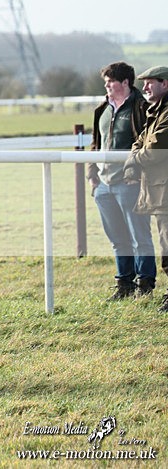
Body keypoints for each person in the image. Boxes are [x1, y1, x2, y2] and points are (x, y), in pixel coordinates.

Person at [87, 62, 156, 300]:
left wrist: (136, 174)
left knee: (140, 237)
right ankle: (124, 285)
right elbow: (95, 144)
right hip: (104, 185)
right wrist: (92, 175)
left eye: (111, 81)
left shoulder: (142, 108)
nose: (106, 85)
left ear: (125, 82)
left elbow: (147, 144)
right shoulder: (102, 110)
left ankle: (145, 284)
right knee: (117, 238)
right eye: (105, 81)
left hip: (130, 183)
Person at [124, 65, 168, 312]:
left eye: (151, 82)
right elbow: (140, 142)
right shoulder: (156, 111)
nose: (145, 87)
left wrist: (135, 159)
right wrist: (137, 154)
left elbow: (154, 148)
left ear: (166, 84)